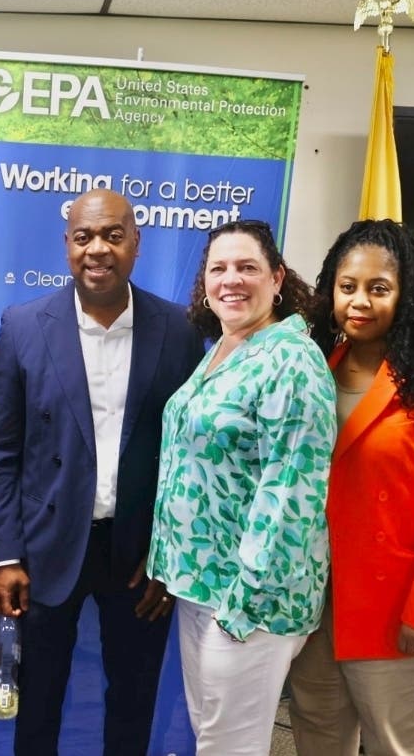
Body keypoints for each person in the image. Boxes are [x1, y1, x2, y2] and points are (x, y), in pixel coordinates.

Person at [0, 187, 204, 755]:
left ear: (136, 242)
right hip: (46, 547)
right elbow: (3, 450)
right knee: (39, 699)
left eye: (112, 235)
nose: (97, 249)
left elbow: (187, 457)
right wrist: (4, 555)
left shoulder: (178, 330)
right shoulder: (25, 325)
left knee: (133, 698)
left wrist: (170, 557)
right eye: (84, 237)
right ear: (66, 245)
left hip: (139, 557)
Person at [147, 219, 336, 755]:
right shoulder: (225, 347)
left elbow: (292, 490)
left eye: (247, 267)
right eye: (219, 268)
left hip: (250, 598)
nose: (231, 279)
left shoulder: (290, 360)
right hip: (201, 583)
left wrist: (245, 603)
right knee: (212, 736)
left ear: (277, 278)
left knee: (231, 747)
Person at [288, 219, 414, 756]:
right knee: (317, 741)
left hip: (398, 614)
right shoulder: (313, 371)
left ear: (406, 297)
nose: (359, 301)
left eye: (378, 288)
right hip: (315, 610)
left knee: (400, 747)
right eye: (347, 286)